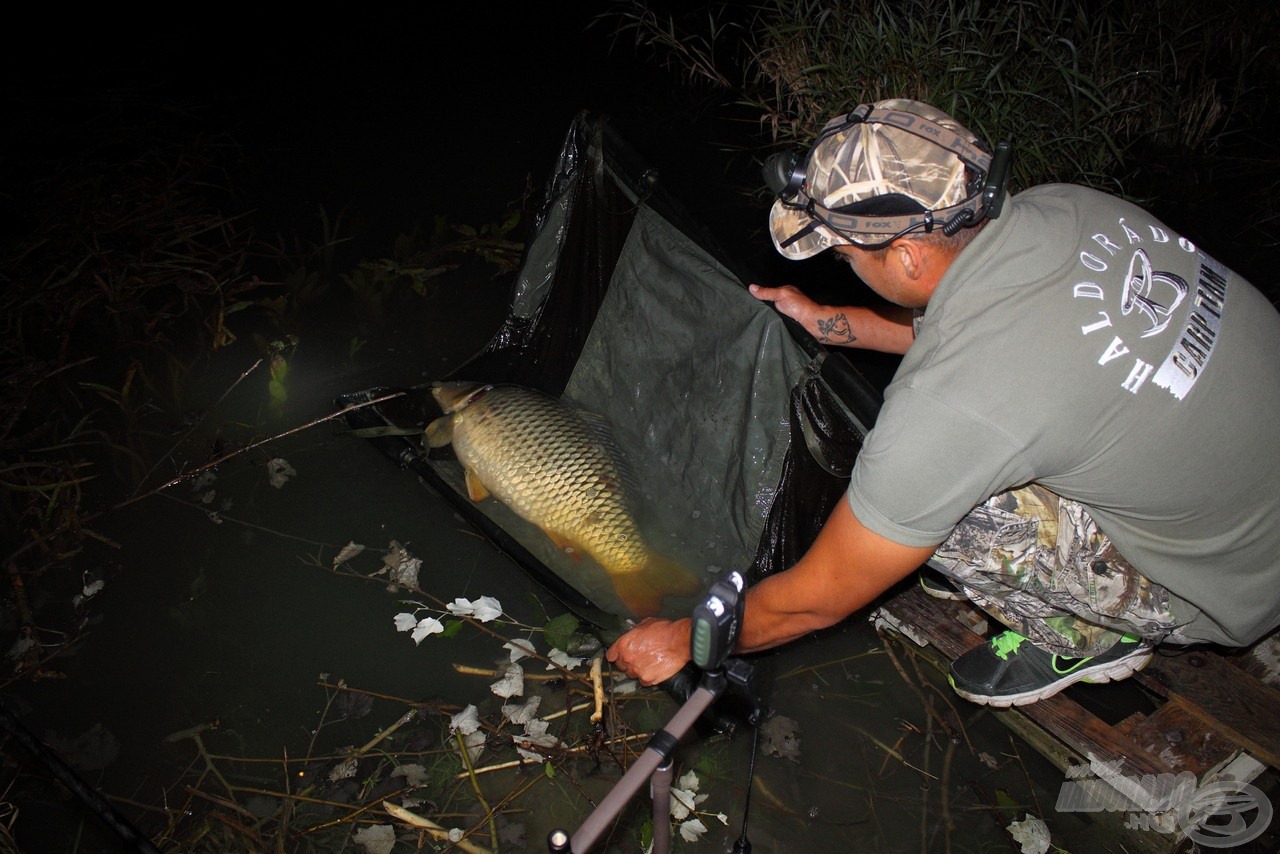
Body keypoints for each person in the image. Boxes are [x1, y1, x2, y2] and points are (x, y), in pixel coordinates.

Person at [607, 98, 1280, 707]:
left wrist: (690, 639)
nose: (843, 266)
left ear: (903, 257)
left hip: (1223, 583)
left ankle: (1091, 638)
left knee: (931, 510)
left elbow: (814, 601)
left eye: (843, 256)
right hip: (1241, 478)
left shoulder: (951, 406)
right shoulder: (1065, 209)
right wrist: (831, 322)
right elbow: (983, 338)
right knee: (944, 466)